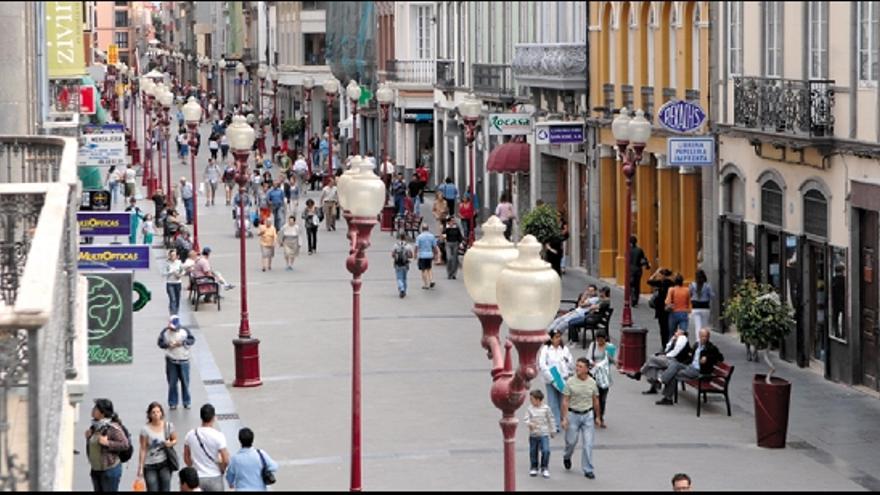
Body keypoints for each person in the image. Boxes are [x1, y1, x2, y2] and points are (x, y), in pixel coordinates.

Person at [656, 328, 724, 406]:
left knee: (673, 374)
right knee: (675, 364)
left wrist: (708, 358)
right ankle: (662, 381)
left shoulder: (711, 348)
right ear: (699, 336)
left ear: (708, 337)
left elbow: (721, 358)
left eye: (705, 336)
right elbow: (690, 357)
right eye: (702, 336)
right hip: (690, 366)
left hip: (698, 371)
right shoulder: (696, 345)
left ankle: (667, 397)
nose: (704, 338)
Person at [560, 357, 601, 479]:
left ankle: (588, 469)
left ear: (587, 369)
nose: (577, 368)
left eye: (580, 366)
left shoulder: (592, 383)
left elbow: (596, 400)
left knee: (588, 444)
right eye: (576, 366)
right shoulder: (570, 382)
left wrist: (598, 417)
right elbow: (565, 401)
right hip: (573, 415)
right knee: (571, 442)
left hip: (588, 415)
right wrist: (564, 418)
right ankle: (567, 456)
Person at [626, 328, 691, 394]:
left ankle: (639, 373)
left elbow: (675, 352)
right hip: (670, 359)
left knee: (652, 359)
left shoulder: (682, 338)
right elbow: (667, 348)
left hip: (674, 362)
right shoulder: (676, 339)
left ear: (682, 333)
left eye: (678, 331)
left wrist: (665, 355)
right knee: (653, 365)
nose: (675, 332)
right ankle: (652, 387)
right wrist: (672, 340)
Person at [85, 398, 131, 492]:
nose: (93, 410)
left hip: (109, 470)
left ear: (102, 413)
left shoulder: (113, 428)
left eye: (96, 408)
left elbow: (125, 444)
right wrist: (88, 437)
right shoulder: (94, 426)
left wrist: (107, 443)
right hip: (96, 470)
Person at [184, 404, 230, 492]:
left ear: (201, 417)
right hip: (215, 476)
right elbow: (226, 459)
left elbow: (186, 458)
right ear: (213, 417)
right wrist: (222, 469)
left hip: (197, 477)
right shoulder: (218, 436)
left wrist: (193, 466)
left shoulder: (190, 435)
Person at [538, 328, 573, 434]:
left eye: (559, 336)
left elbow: (571, 363)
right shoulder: (546, 349)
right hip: (552, 378)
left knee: (563, 401)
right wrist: (551, 378)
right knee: (553, 402)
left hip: (563, 378)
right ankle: (555, 424)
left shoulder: (564, 349)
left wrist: (568, 363)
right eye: (556, 337)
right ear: (551, 339)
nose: (558, 339)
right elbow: (542, 364)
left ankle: (564, 420)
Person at [137, 402, 178, 492]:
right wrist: (140, 467)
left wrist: (170, 443)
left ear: (161, 413)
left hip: (164, 463)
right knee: (152, 487)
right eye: (153, 412)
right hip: (149, 464)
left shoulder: (168, 426)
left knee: (165, 487)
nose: (156, 414)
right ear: (149, 415)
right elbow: (143, 448)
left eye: (158, 412)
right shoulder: (145, 430)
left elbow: (175, 439)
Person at [158, 315, 195, 410]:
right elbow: (160, 343)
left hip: (184, 360)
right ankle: (173, 402)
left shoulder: (184, 331)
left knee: (185, 382)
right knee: (172, 382)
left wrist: (182, 343)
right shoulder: (165, 332)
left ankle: (186, 401)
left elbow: (191, 340)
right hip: (171, 360)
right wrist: (167, 344)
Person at [586, 332, 616, 427]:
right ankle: (595, 416)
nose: (599, 342)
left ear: (605, 339)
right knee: (595, 396)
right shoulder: (593, 345)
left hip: (604, 374)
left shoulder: (609, 347)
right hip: (594, 373)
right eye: (598, 339)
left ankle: (601, 417)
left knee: (603, 398)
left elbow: (612, 360)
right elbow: (588, 358)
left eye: (601, 340)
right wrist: (593, 363)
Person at [524, 389, 555, 479]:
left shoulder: (546, 408)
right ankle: (534, 467)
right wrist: (529, 423)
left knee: (546, 450)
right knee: (533, 451)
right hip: (533, 434)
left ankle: (544, 467)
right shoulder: (529, 408)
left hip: (544, 433)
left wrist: (552, 430)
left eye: (532, 399)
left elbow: (551, 419)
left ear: (538, 400)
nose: (531, 401)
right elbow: (526, 418)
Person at [648, 268, 675, 349]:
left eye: (660, 274)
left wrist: (655, 273)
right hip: (670, 309)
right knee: (670, 328)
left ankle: (665, 345)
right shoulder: (672, 283)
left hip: (661, 309)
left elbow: (649, 281)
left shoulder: (661, 283)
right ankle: (669, 344)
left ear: (663, 275)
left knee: (663, 329)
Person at [689, 269, 715, 334]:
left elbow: (689, 294)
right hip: (705, 307)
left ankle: (698, 341)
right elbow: (712, 295)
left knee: (698, 326)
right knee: (704, 326)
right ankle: (704, 341)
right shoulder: (707, 285)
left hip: (695, 307)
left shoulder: (692, 285)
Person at [415, 224, 439, 290]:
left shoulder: (419, 237)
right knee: (429, 268)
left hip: (422, 255)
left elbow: (416, 246)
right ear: (428, 229)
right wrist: (436, 254)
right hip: (430, 254)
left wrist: (415, 254)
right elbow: (434, 246)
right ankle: (431, 280)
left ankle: (426, 284)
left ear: (422, 229)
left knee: (423, 270)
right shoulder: (432, 236)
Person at [629, 236, 651, 306]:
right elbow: (644, 259)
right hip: (638, 270)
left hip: (630, 270)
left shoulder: (628, 250)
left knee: (631, 284)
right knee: (637, 285)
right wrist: (647, 266)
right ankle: (636, 299)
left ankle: (632, 298)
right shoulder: (639, 250)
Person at [391, 232, 415, 298]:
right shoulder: (408, 246)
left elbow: (392, 254)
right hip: (405, 264)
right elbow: (411, 255)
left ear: (399, 237)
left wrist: (396, 256)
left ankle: (401, 289)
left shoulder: (396, 245)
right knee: (404, 278)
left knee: (399, 278)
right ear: (405, 237)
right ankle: (404, 290)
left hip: (397, 264)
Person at [163, 250, 185, 315]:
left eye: (174, 255)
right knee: (173, 299)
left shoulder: (179, 262)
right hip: (170, 283)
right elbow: (164, 273)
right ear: (169, 256)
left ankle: (176, 311)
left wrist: (180, 275)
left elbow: (183, 271)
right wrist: (171, 272)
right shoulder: (167, 263)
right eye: (171, 255)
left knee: (177, 298)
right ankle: (173, 313)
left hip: (178, 283)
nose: (173, 257)